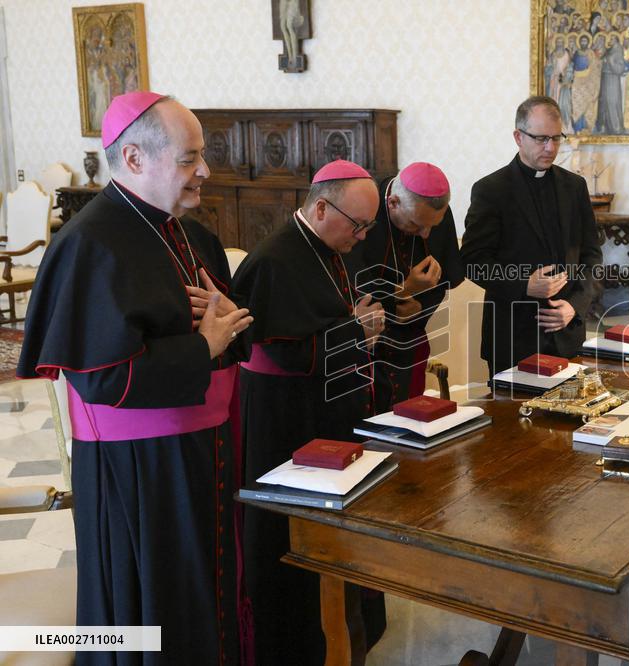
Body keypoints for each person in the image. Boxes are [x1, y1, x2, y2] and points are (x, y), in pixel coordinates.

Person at [17, 91, 254, 665]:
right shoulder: (89, 245)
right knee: (158, 605)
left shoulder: (190, 234)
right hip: (141, 470)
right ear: (135, 159)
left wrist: (227, 324)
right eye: (189, 158)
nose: (205, 171)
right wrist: (202, 346)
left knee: (209, 586)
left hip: (205, 450)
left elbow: (230, 333)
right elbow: (103, 380)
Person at [231, 159, 385, 665]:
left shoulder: (324, 248)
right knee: (284, 548)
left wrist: (356, 321)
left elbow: (321, 316)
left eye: (367, 226)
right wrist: (355, 331)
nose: (362, 237)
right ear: (321, 207)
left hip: (319, 411)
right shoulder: (274, 259)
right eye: (357, 225)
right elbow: (276, 350)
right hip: (283, 422)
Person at [461, 95, 603, 376]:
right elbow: (472, 261)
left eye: (556, 138)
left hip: (568, 336)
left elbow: (592, 256)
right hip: (513, 339)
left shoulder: (574, 187)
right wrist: (523, 284)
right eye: (540, 139)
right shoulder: (491, 190)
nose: (550, 148)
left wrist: (574, 307)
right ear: (518, 137)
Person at [356, 161, 464, 414]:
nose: (426, 234)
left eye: (432, 226)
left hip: (410, 342)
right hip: (365, 348)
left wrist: (420, 306)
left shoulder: (433, 210)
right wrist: (405, 290)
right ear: (393, 203)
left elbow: (447, 277)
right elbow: (351, 286)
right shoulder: (365, 212)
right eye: (416, 224)